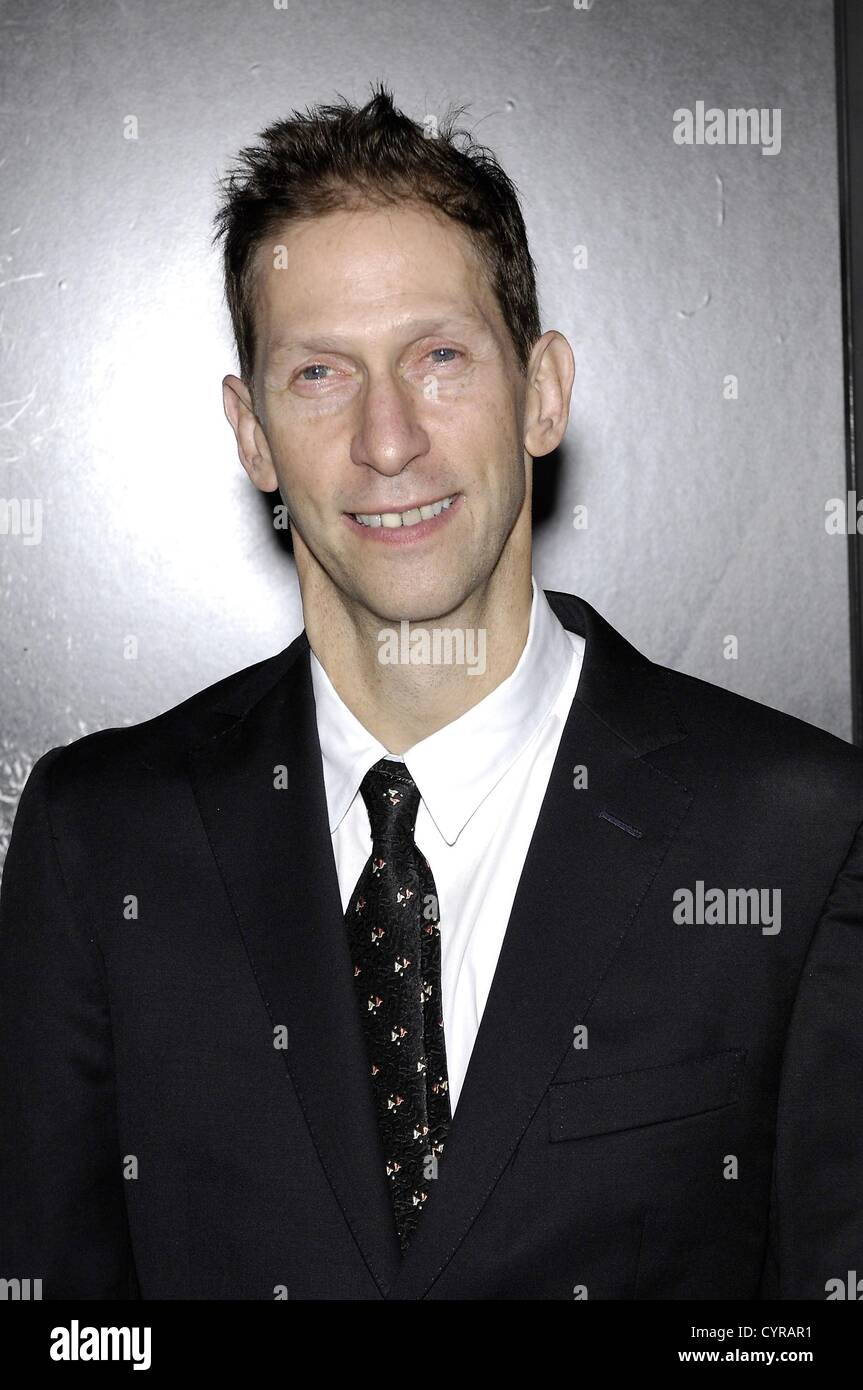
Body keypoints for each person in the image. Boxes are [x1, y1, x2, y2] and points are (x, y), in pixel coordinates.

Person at [1, 82, 861, 1301]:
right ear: (251, 435)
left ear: (543, 392)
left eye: (440, 357)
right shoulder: (102, 839)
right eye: (318, 375)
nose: (388, 437)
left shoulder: (797, 832)